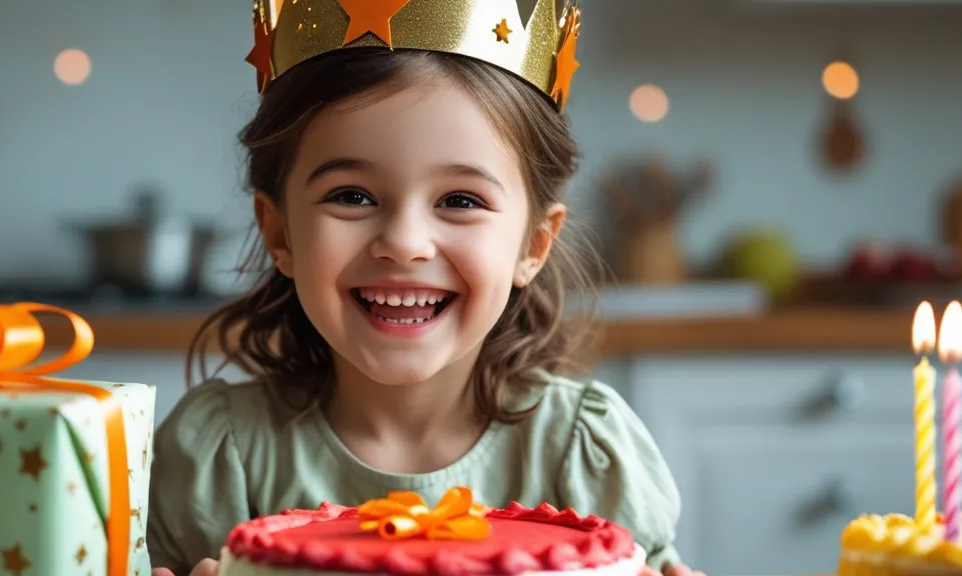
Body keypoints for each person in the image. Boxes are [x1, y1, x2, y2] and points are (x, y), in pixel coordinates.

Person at [148, 5, 698, 576]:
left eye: (460, 200)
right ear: (280, 232)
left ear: (532, 246)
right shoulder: (221, 456)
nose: (405, 243)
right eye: (352, 196)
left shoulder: (582, 451)